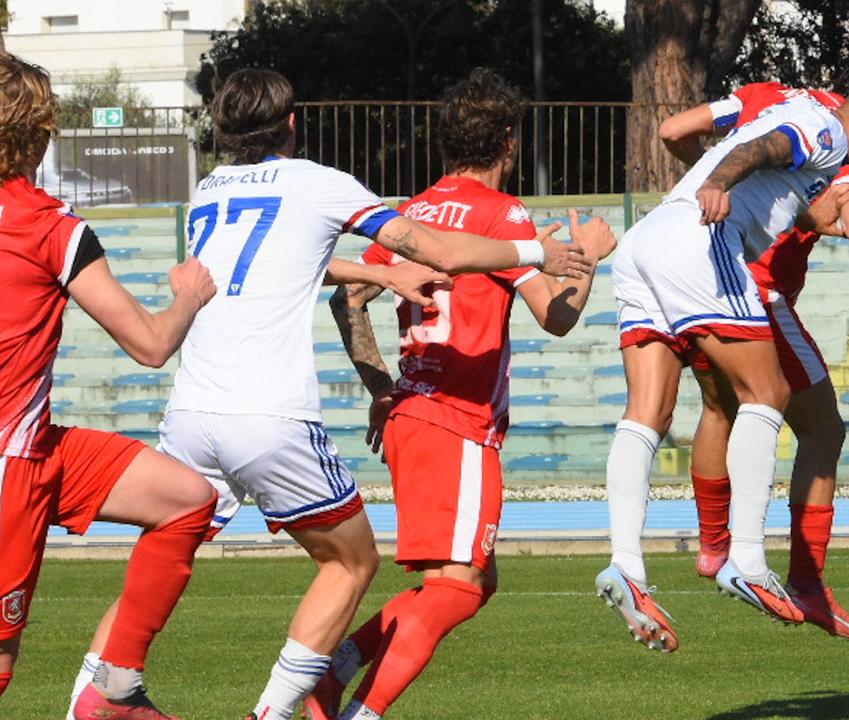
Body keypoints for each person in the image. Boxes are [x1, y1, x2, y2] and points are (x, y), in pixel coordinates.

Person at [75, 67, 590, 720]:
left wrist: (382, 326)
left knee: (165, 544)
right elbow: (455, 260)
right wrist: (545, 253)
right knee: (367, 566)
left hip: (194, 404)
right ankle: (291, 706)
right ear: (293, 124)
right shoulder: (322, 184)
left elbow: (308, 269)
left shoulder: (209, 190)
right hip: (291, 413)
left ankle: (96, 694)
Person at [598, 82, 849, 652]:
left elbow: (696, 137)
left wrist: (712, 180)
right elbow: (770, 148)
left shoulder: (775, 100)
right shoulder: (824, 129)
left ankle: (626, 565)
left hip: (645, 241)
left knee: (648, 412)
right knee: (766, 393)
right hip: (703, 245)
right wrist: (720, 183)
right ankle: (745, 558)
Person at [304, 68, 616, 720]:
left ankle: (333, 675)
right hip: (457, 421)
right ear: (509, 140)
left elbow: (347, 297)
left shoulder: (412, 214)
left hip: (412, 416)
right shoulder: (503, 216)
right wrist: (588, 258)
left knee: (472, 579)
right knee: (459, 589)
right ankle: (348, 705)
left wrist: (380, 385)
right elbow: (556, 317)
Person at [0, 54, 219, 720]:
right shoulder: (48, 226)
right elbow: (150, 344)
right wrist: (189, 297)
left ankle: (114, 692)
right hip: (11, 463)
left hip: (40, 447)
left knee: (186, 498)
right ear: (39, 131)